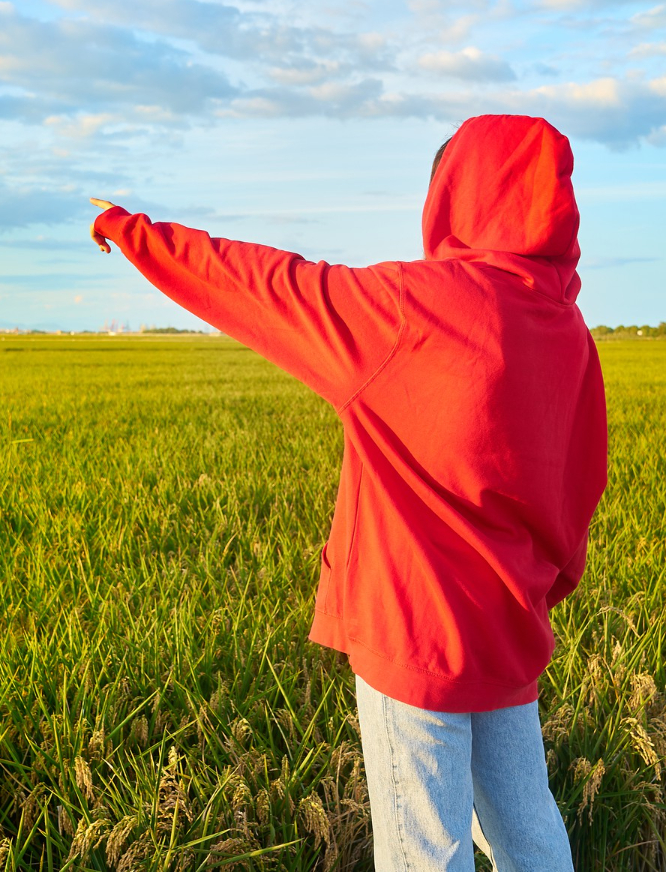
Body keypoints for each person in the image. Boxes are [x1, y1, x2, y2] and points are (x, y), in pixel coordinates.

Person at [87, 114, 607, 872]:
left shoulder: (416, 307)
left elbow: (262, 285)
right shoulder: (567, 328)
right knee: (530, 837)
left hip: (415, 634)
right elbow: (578, 489)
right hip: (510, 629)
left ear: (457, 195)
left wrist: (138, 234)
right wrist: (537, 592)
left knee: (424, 853)